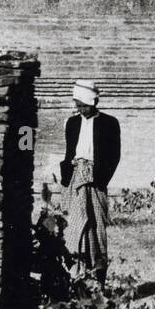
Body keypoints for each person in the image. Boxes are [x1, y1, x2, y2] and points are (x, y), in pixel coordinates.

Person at [60, 80, 121, 285]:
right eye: (77, 105)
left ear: (94, 102)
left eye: (84, 105)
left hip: (96, 181)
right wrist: (67, 173)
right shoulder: (72, 123)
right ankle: (76, 276)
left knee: (96, 229)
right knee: (74, 227)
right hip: (75, 179)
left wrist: (100, 178)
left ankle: (99, 280)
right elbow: (69, 151)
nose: (81, 109)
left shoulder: (109, 123)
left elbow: (114, 155)